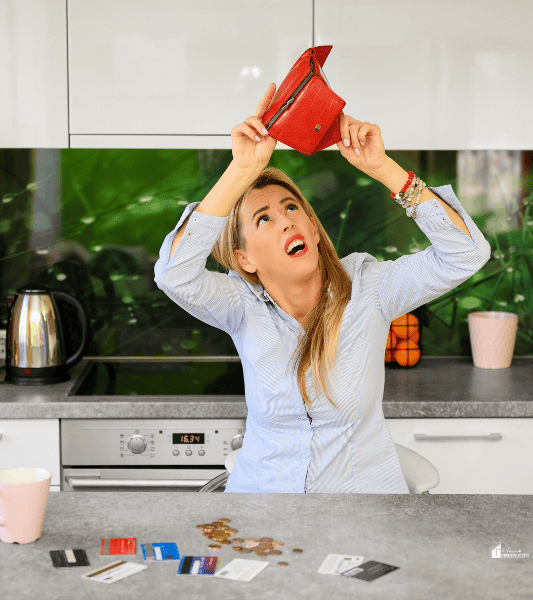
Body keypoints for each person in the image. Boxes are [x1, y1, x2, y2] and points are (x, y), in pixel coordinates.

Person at [154, 83, 491, 493]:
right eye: (264, 219)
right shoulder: (239, 304)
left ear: (313, 229)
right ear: (245, 259)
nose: (286, 222)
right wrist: (241, 169)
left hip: (364, 515)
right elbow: (174, 274)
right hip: (263, 514)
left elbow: (466, 254)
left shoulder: (370, 288)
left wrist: (383, 167)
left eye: (291, 208)